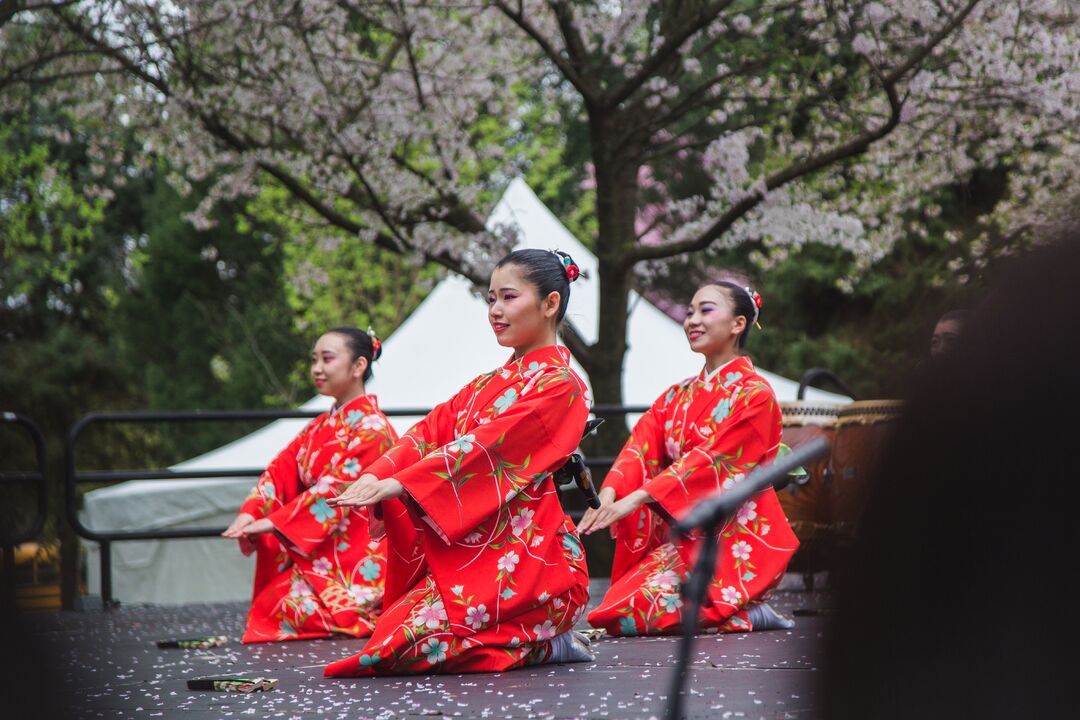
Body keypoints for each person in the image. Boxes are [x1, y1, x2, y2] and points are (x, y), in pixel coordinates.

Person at [821, 236, 1078, 719]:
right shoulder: (942, 397)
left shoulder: (1005, 394)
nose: (940, 350)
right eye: (935, 342)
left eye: (952, 343)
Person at [323, 249, 594, 677]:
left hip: (531, 561)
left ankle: (547, 642)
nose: (496, 311)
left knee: (408, 647)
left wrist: (402, 485)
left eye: (508, 297)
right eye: (491, 300)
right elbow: (430, 432)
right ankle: (531, 640)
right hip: (473, 558)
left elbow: (489, 447)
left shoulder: (563, 385)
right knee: (390, 641)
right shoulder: (485, 384)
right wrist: (376, 475)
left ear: (550, 304)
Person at [579, 282, 797, 636]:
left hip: (736, 537)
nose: (692, 320)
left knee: (635, 612)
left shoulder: (756, 395)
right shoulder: (677, 395)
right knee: (614, 607)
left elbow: (710, 461)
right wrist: (610, 494)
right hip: (687, 539)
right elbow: (641, 446)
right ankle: (741, 611)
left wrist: (637, 497)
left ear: (738, 324)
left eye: (706, 310)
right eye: (690, 311)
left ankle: (745, 609)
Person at [221, 328, 397, 643]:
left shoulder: (373, 429)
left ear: (358, 366)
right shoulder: (320, 426)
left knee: (277, 609)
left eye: (327, 359)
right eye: (314, 359)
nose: (316, 368)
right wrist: (250, 512)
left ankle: (365, 610)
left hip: (358, 559)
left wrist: (271, 523)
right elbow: (280, 471)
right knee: (270, 607)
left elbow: (336, 490)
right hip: (327, 552)